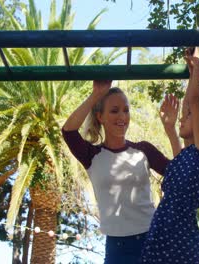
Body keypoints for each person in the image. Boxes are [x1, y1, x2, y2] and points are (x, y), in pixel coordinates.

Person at [61, 80, 177, 264]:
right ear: (100, 117)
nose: (122, 116)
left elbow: (180, 173)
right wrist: (96, 95)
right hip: (117, 248)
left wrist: (170, 130)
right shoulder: (92, 155)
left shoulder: (143, 150)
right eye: (114, 111)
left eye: (126, 110)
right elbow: (68, 131)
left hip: (153, 240)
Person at [141, 47, 199, 264]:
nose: (182, 118)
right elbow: (190, 107)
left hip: (180, 240)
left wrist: (197, 67)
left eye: (186, 117)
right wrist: (169, 128)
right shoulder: (187, 157)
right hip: (162, 234)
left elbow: (194, 102)